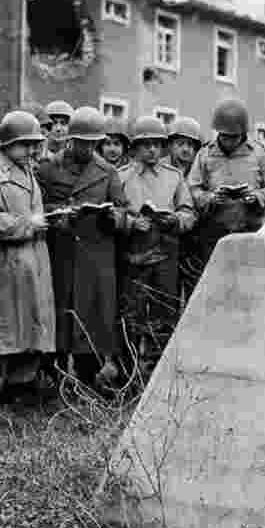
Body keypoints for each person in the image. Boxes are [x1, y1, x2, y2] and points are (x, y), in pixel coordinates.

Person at [36, 107, 129, 390]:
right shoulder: (49, 168)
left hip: (95, 252)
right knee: (61, 314)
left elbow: (124, 209)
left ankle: (89, 378)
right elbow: (38, 206)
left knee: (92, 315)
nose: (87, 148)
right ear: (70, 140)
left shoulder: (107, 171)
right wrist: (60, 213)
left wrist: (114, 216)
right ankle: (56, 376)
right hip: (61, 251)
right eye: (82, 142)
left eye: (93, 143)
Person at [0, 111, 56, 403]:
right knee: (2, 330)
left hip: (32, 263)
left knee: (30, 328)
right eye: (25, 144)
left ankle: (21, 389)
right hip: (2, 266)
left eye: (34, 144)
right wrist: (28, 224)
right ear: (6, 145)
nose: (32, 151)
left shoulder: (26, 169)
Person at [117, 116, 197, 373]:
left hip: (166, 254)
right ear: (135, 148)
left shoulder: (174, 177)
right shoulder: (121, 176)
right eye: (146, 144)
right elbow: (111, 213)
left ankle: (156, 373)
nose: (152, 149)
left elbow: (189, 213)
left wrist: (175, 220)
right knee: (131, 315)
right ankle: (127, 374)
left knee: (164, 315)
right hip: (133, 257)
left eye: (157, 144)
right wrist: (129, 223)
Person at [188, 98, 265, 270]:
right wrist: (211, 198)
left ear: (243, 133)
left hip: (250, 231)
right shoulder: (204, 154)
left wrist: (256, 196)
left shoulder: (260, 153)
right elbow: (192, 189)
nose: (229, 142)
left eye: (234, 137)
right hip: (213, 232)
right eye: (224, 136)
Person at [165, 116, 204, 299]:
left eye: (191, 145)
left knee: (193, 294)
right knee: (166, 295)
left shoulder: (201, 172)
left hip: (194, 240)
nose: (186, 149)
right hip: (166, 239)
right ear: (170, 145)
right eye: (180, 143)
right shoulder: (161, 168)